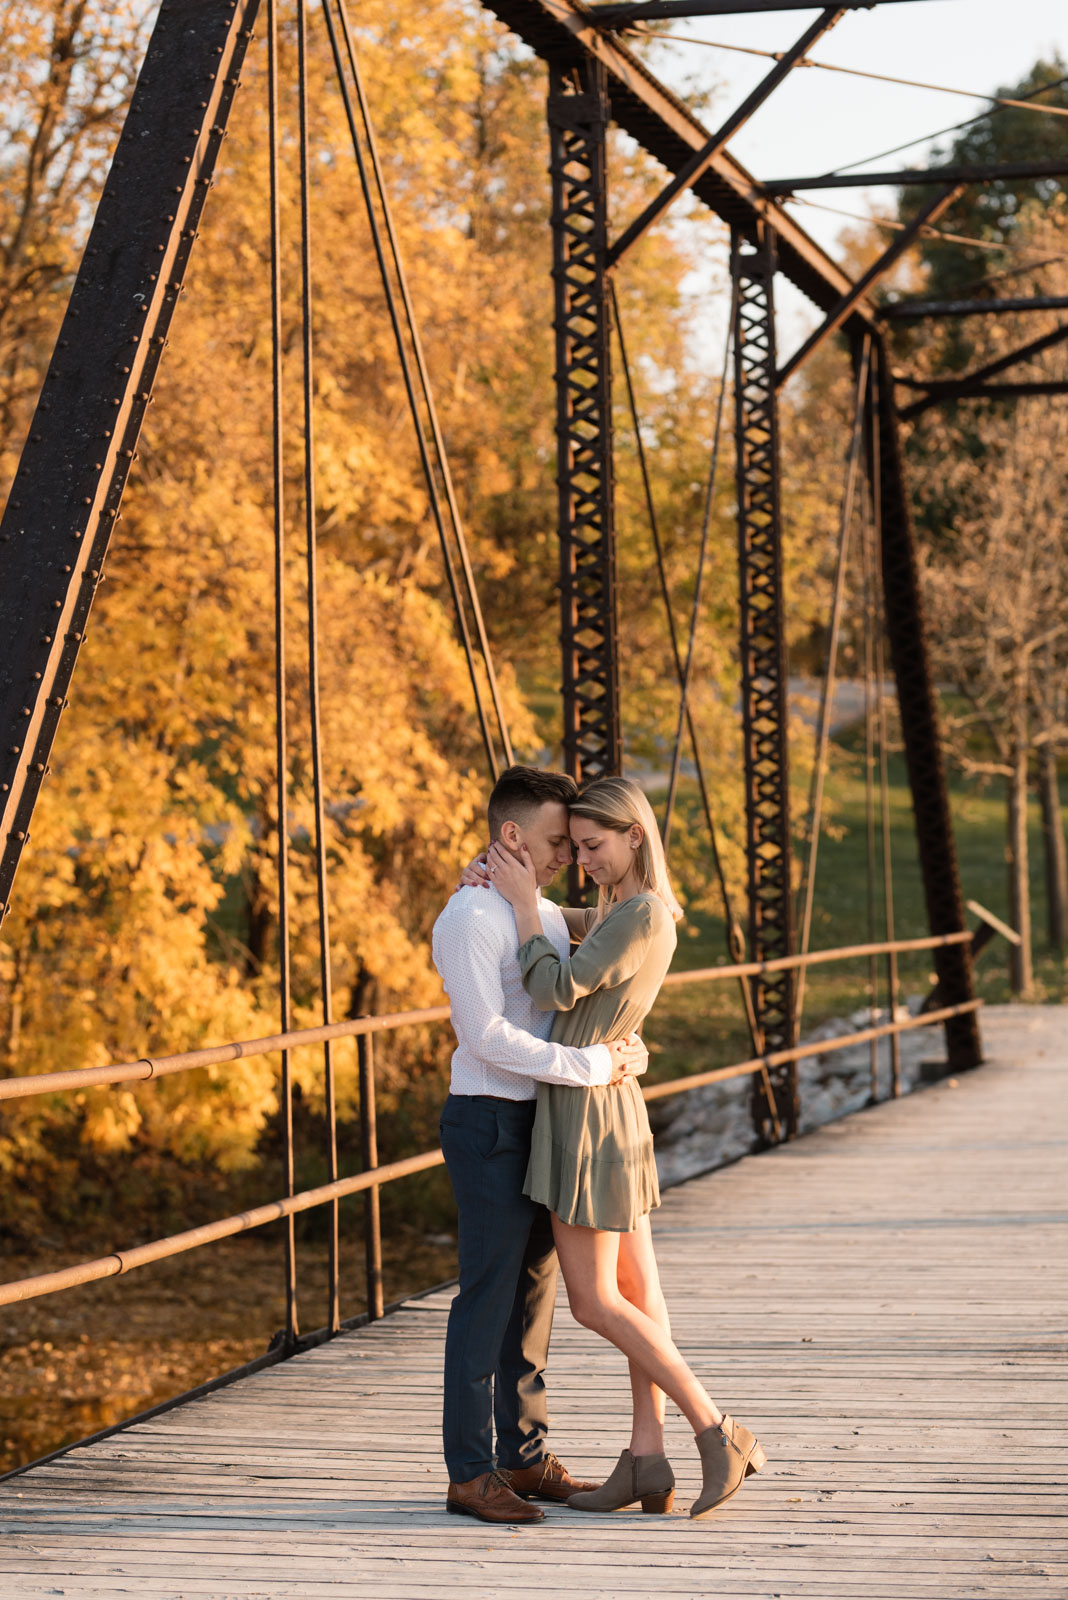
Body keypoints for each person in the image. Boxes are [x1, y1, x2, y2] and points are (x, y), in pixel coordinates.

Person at [482, 775, 766, 1519]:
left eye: (594, 846)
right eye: (571, 848)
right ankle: (646, 1459)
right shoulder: (629, 909)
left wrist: (516, 906)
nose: (582, 860)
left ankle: (715, 1428)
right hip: (613, 1106)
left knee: (596, 1303)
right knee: (642, 1297)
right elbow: (577, 920)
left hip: (585, 1117)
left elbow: (553, 986)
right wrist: (512, 889)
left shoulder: (636, 915)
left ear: (635, 835)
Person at [431, 765, 649, 1525]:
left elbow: (605, 957)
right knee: (486, 1300)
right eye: (558, 841)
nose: (570, 855)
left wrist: (621, 1044)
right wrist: (591, 1068)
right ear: (512, 836)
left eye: (576, 844)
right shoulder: (467, 920)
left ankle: (523, 1458)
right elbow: (485, 1038)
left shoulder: (543, 914)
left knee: (532, 1301)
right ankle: (470, 1472)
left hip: (546, 1124)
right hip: (489, 1121)